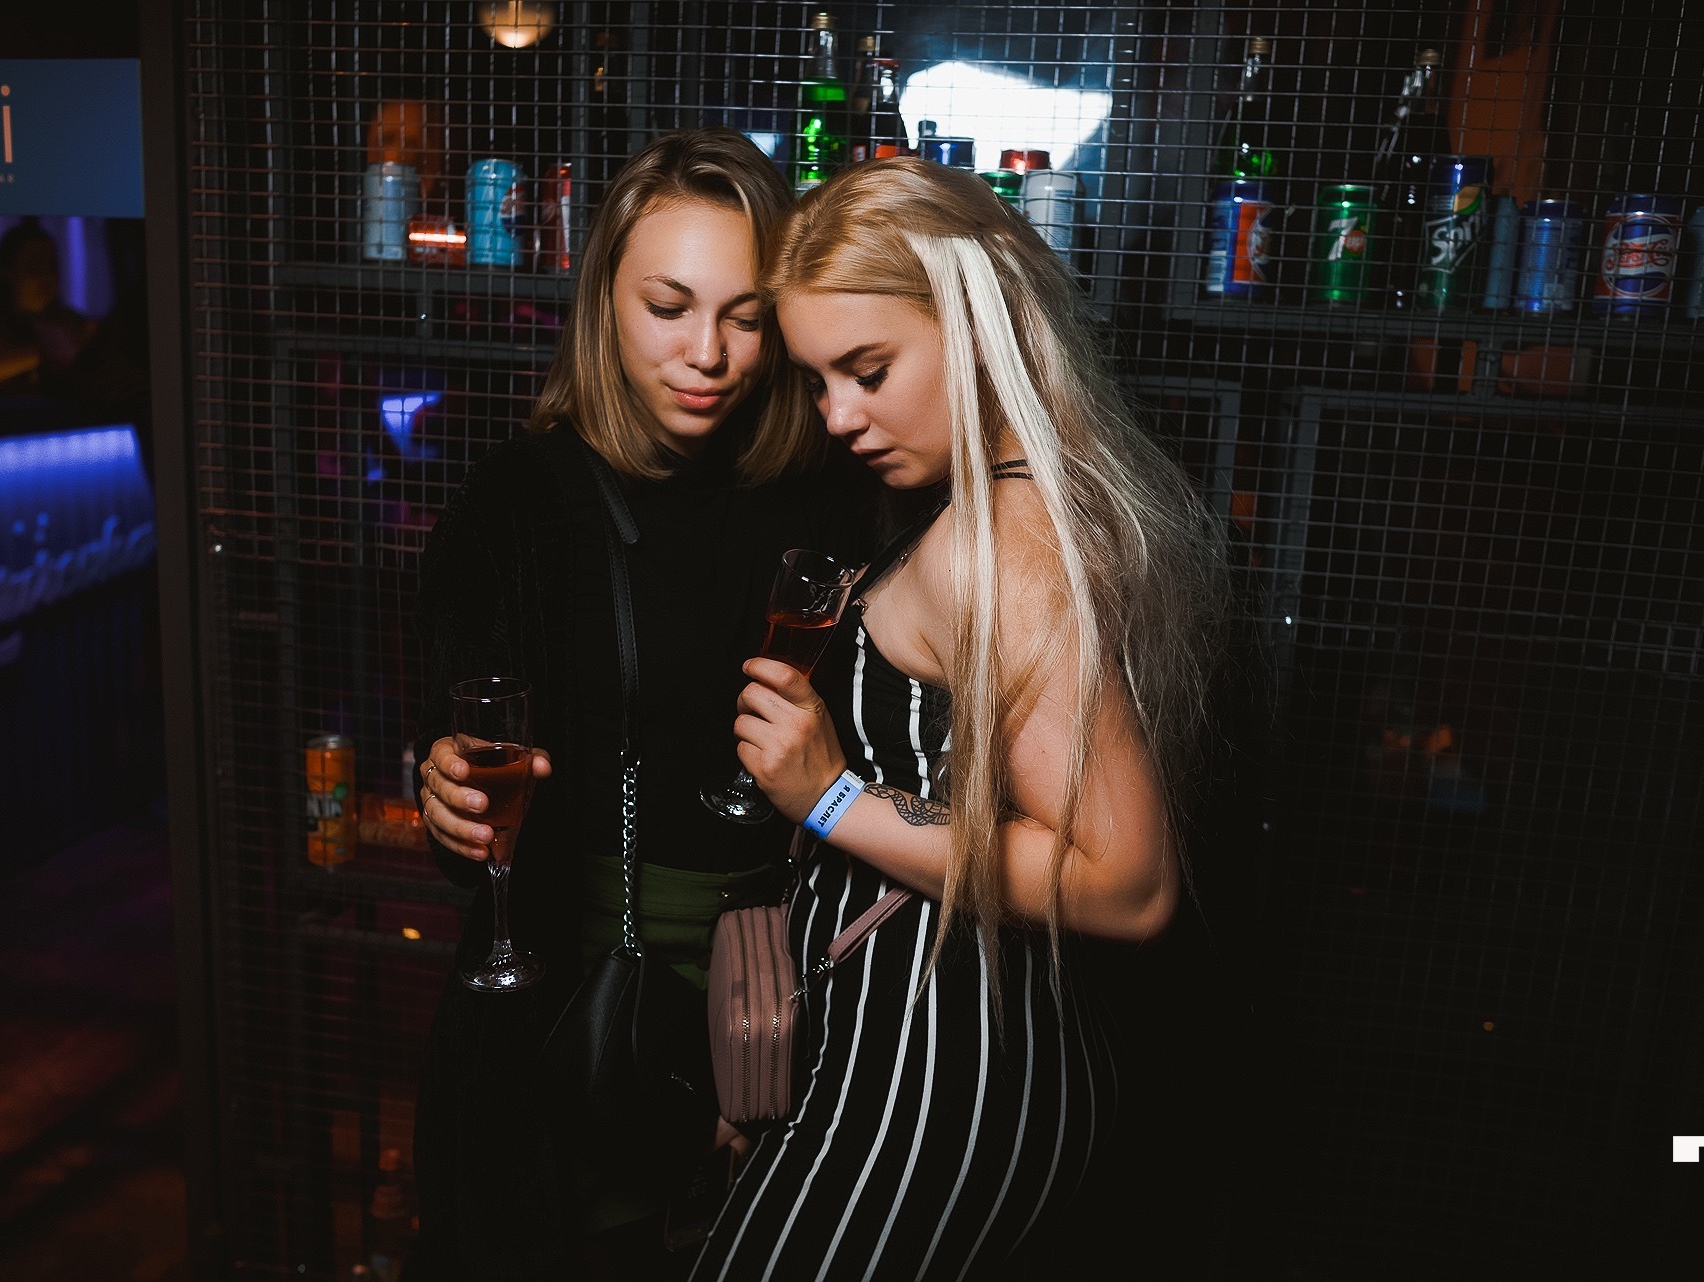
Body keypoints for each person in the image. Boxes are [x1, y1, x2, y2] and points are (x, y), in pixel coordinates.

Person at [690, 157, 1230, 1278]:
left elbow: (1127, 882)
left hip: (927, 1072)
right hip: (940, 1051)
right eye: (818, 380)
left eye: (869, 370)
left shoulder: (1003, 547)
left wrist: (829, 796)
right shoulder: (1016, 502)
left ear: (977, 321)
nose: (839, 416)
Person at [408, 129, 873, 1280]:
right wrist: (446, 799)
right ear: (603, 298)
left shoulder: (834, 495)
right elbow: (465, 770)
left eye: (746, 317)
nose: (706, 353)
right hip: (576, 1013)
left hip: (787, 998)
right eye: (668, 306)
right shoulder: (521, 504)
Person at [0, 219, 95, 388]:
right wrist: (47, 353)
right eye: (34, 266)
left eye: (52, 267)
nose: (46, 277)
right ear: (6, 272)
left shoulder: (71, 321)